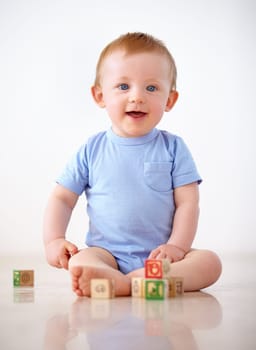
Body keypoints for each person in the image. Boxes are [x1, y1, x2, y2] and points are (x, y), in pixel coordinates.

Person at [43, 32, 222, 297]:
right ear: (100, 96)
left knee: (210, 263)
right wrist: (54, 240)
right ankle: (120, 279)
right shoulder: (91, 150)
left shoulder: (173, 148)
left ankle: (131, 282)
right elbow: (62, 198)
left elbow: (188, 203)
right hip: (107, 255)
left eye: (151, 88)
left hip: (163, 257)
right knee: (82, 261)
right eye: (123, 86)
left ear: (169, 100)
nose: (137, 97)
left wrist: (177, 248)